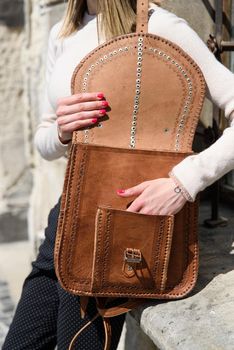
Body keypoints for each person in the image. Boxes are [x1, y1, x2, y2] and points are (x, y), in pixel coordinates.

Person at [3, 0, 234, 349]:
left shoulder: (159, 26)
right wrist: (62, 132)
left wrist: (183, 183)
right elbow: (44, 139)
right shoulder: (62, 31)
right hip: (67, 219)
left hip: (121, 228)